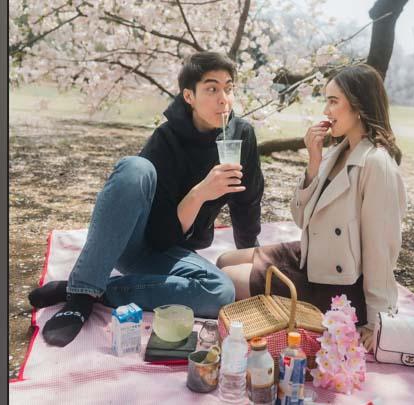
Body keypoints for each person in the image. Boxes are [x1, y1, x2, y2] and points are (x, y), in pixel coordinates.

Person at [28, 51, 264, 347]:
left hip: (173, 251)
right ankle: (81, 294)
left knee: (220, 292)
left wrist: (253, 259)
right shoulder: (166, 140)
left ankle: (92, 290)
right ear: (189, 96)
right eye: (212, 89)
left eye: (228, 88)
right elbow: (159, 232)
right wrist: (200, 193)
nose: (223, 99)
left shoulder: (241, 134)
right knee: (135, 168)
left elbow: (247, 201)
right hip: (133, 241)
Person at [217, 64, 406, 352]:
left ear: (359, 106)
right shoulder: (337, 152)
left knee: (228, 280)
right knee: (224, 260)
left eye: (333, 101)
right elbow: (300, 217)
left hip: (338, 284)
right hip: (309, 254)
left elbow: (381, 247)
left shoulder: (377, 164)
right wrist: (314, 162)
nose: (326, 111)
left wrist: (377, 320)